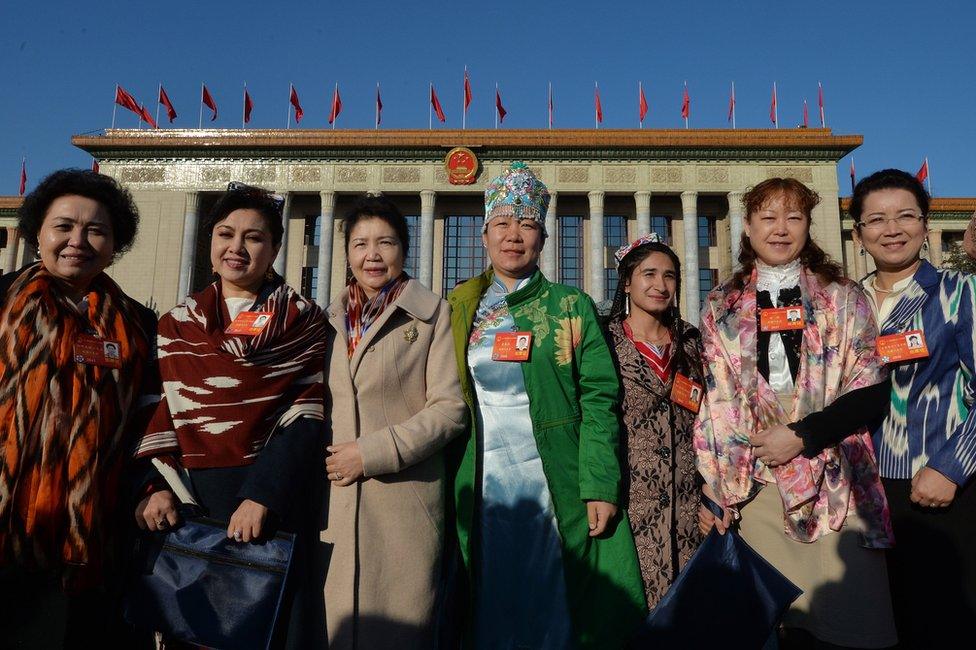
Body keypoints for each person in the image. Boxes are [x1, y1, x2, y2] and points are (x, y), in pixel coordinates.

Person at [448, 162, 646, 649]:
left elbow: (601, 399)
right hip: (483, 482)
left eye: (528, 225)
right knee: (489, 600)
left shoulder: (569, 306)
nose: (513, 236)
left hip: (554, 479)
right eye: (502, 224)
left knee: (559, 601)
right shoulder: (457, 309)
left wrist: (600, 482)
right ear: (484, 235)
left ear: (543, 237)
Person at [695, 178, 898, 648]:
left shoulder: (843, 295)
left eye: (794, 217)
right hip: (757, 478)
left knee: (850, 622)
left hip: (836, 473)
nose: (780, 229)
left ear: (809, 224)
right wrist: (718, 484)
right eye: (768, 218)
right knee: (772, 626)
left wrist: (804, 435)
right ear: (747, 227)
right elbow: (717, 402)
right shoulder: (722, 304)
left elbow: (870, 388)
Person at [133, 182, 326, 647]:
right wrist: (155, 487)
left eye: (254, 237)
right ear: (210, 241)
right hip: (190, 499)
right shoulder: (174, 323)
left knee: (262, 630)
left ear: (276, 247)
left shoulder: (304, 321)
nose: (237, 248)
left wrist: (263, 494)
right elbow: (155, 411)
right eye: (225, 234)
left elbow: (305, 414)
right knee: (191, 630)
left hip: (265, 503)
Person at [0, 169, 156, 645]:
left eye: (96, 230)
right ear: (37, 233)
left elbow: (145, 419)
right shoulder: (1, 299)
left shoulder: (138, 323)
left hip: (91, 537)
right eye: (63, 226)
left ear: (115, 244)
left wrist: (151, 485)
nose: (77, 241)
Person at [319, 195, 467, 649]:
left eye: (386, 243)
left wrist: (373, 452)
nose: (373, 255)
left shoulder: (432, 315)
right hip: (336, 505)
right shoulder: (325, 321)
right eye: (361, 244)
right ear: (346, 253)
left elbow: (450, 409)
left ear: (404, 248)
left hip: (404, 503)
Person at [851, 168, 976, 646]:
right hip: (862, 492)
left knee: (939, 620)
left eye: (906, 216)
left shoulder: (959, 293)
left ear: (926, 225)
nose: (892, 229)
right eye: (877, 220)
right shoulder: (846, 302)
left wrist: (952, 467)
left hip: (935, 487)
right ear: (859, 234)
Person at [605, 233, 704, 610]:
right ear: (627, 282)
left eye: (669, 276)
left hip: (689, 509)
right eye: (648, 274)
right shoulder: (603, 342)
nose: (660, 286)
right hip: (629, 507)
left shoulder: (693, 343)